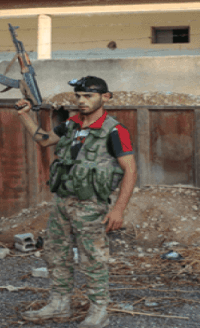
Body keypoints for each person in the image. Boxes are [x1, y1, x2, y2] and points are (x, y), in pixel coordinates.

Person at [16, 76, 137, 328]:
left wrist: (118, 209)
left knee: (93, 258)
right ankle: (59, 304)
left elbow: (131, 170)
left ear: (105, 97)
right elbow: (44, 139)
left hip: (91, 205)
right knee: (55, 254)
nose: (82, 101)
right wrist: (24, 115)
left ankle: (99, 311)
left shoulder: (115, 130)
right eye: (78, 96)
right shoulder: (72, 124)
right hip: (62, 202)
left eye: (88, 96)